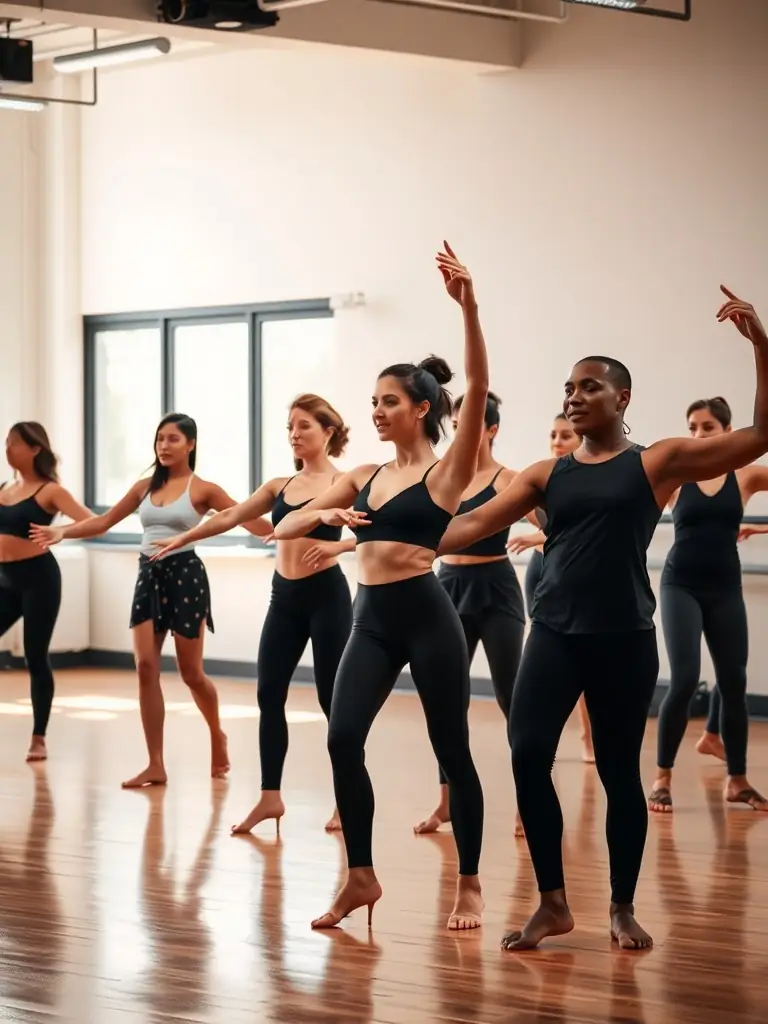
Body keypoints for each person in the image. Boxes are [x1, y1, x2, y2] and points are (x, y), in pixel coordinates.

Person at [436, 287, 768, 952]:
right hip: (553, 635)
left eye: (589, 386)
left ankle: (621, 905)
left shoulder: (657, 462)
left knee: (619, 774)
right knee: (528, 753)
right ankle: (552, 903)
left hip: (623, 640)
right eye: (569, 387)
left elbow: (760, 436)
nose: (574, 396)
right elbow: (468, 524)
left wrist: (761, 344)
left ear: (622, 399)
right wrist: (392, 526)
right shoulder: (545, 474)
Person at [273, 242, 488, 932]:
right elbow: (282, 530)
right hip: (371, 617)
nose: (376, 410)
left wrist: (470, 308)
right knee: (341, 739)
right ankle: (360, 876)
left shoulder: (446, 471)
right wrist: (324, 513)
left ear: (422, 408)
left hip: (427, 615)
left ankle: (470, 883)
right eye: (372, 402)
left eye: (388, 401)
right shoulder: (363, 473)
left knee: (450, 749)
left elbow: (477, 389)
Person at [30, 413, 271, 788]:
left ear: (190, 444)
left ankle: (216, 734)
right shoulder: (144, 487)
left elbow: (248, 518)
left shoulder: (203, 489)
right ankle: (155, 763)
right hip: (149, 576)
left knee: (191, 674)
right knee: (145, 666)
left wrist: (291, 527)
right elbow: (104, 521)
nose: (164, 445)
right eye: (160, 439)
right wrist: (63, 531)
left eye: (173, 439)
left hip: (186, 575)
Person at [151, 394, 354, 835]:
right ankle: (270, 797)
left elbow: (377, 530)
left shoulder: (347, 481)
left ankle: (345, 801)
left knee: (332, 702)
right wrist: (183, 538)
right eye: (290, 428)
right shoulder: (280, 485)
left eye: (304, 426)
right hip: (285, 598)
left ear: (328, 433)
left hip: (327, 596)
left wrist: (340, 544)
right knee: (268, 695)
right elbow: (233, 516)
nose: (295, 435)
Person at [648, 396, 768, 813]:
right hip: (680, 585)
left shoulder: (747, 476)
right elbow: (635, 514)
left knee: (734, 680)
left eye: (707, 427)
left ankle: (737, 780)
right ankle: (661, 779)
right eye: (692, 427)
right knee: (684, 679)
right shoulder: (678, 478)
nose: (697, 435)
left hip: (725, 589)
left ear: (727, 433)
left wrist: (760, 532)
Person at [413, 391, 523, 835]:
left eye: (471, 422)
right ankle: (447, 803)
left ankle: (527, 802)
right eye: (455, 422)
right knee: (446, 701)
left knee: (512, 699)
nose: (460, 429)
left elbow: (554, 522)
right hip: (446, 588)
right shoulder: (443, 478)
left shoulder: (509, 479)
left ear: (491, 429)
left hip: (496, 590)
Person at [0, 422, 93, 761]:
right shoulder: (5, 487)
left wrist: (61, 533)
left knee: (34, 656)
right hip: (4, 579)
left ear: (35, 448)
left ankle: (39, 737)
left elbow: (91, 523)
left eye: (13, 443)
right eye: (6, 443)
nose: (7, 448)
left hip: (39, 579)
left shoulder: (50, 491)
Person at [507, 412, 595, 764]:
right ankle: (544, 738)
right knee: (546, 653)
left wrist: (540, 537)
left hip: (577, 577)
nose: (557, 441)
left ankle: (589, 733)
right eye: (553, 435)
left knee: (584, 657)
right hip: (542, 573)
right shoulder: (542, 481)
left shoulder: (591, 483)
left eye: (565, 436)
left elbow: (580, 533)